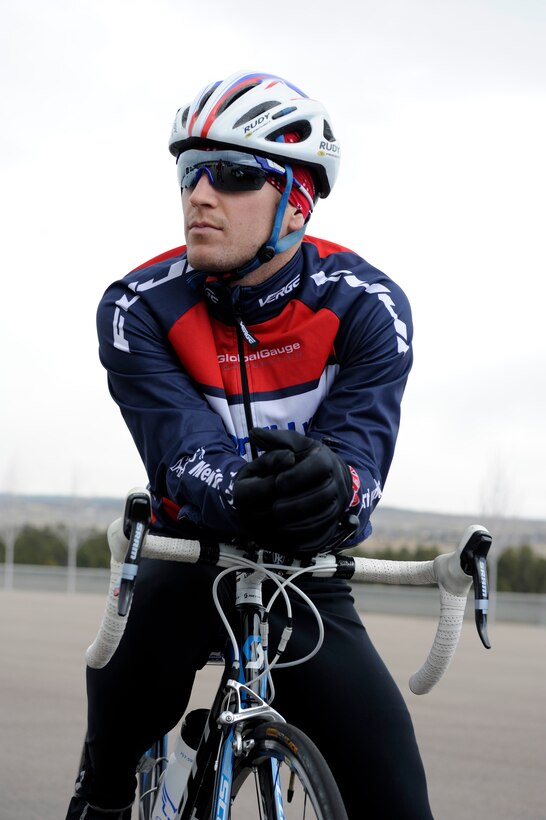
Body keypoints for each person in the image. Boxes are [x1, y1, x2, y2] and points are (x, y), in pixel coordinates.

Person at [67, 71, 434, 819]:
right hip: (187, 556)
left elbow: (361, 458)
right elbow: (180, 452)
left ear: (297, 201)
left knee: (398, 803)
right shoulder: (137, 306)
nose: (199, 195)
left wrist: (336, 487)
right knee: (109, 758)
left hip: (302, 571)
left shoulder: (366, 306)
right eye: (188, 172)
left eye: (232, 175)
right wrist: (239, 491)